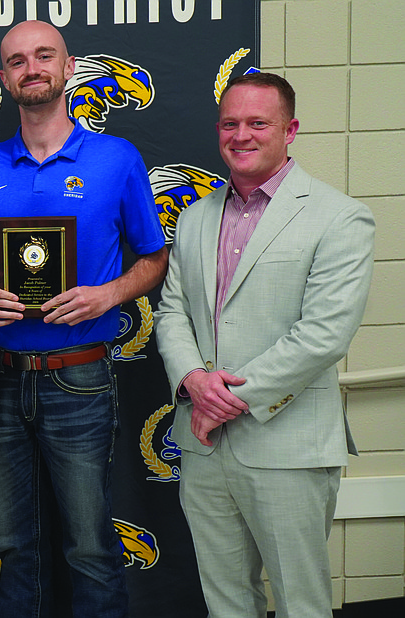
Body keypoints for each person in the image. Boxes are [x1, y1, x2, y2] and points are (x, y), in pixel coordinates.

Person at [0, 20, 169, 617]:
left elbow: (155, 258)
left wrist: (108, 295)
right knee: (15, 543)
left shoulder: (115, 159)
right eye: (17, 60)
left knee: (90, 546)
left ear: (68, 67)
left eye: (44, 55)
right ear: (3, 77)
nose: (32, 68)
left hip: (80, 377)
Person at [155, 72, 374, 618]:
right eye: (230, 123)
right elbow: (171, 313)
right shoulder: (194, 217)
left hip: (288, 444)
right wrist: (193, 382)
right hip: (205, 448)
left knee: (300, 601)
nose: (242, 135)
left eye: (259, 123)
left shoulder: (339, 217)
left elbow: (324, 334)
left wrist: (224, 399)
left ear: (290, 129)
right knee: (226, 598)